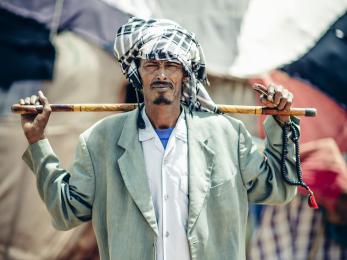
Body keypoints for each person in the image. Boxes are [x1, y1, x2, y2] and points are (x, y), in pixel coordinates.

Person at [20, 17, 299, 260]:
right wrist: (38, 142)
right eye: (152, 64)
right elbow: (65, 211)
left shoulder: (227, 135)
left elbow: (280, 189)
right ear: (137, 73)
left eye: (171, 65)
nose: (162, 74)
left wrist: (282, 122)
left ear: (185, 74)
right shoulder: (101, 140)